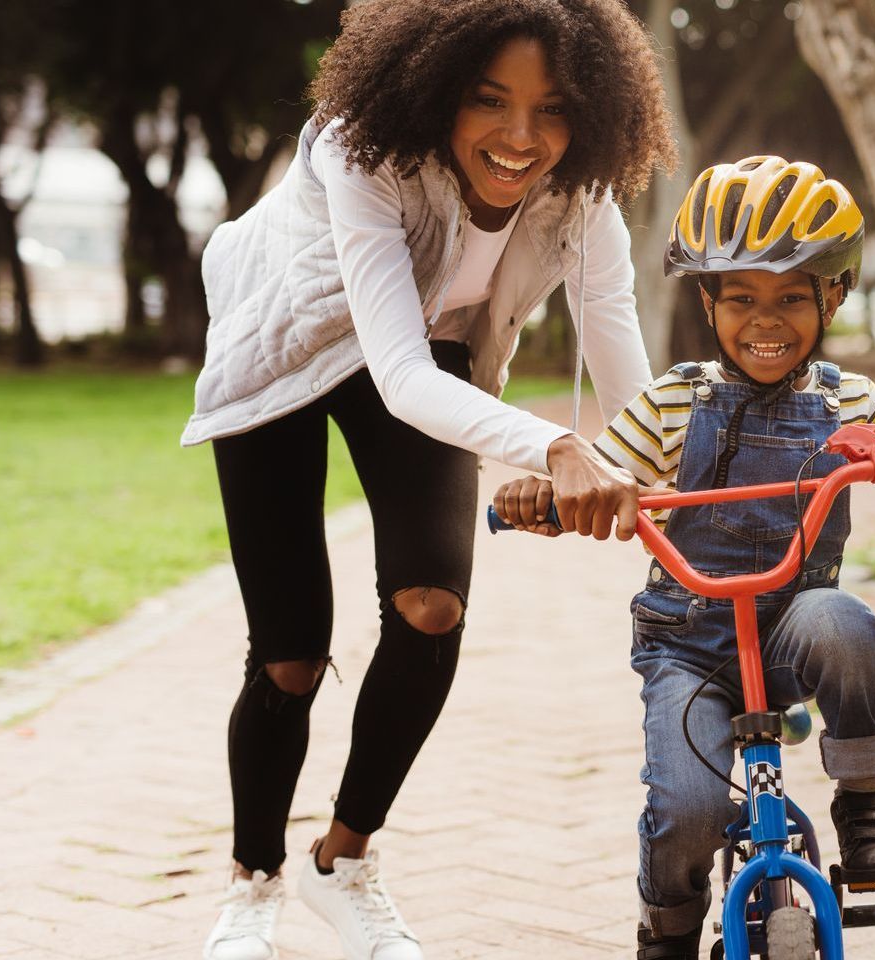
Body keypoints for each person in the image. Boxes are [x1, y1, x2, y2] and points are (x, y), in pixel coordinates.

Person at [179, 2, 676, 958]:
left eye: (553, 110)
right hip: (283, 345)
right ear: (436, 86)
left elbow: (624, 375)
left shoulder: (583, 196)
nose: (521, 138)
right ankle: (253, 883)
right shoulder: (359, 149)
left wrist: (677, 468)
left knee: (431, 605)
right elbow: (397, 376)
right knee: (289, 653)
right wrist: (555, 449)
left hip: (424, 352)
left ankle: (342, 860)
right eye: (489, 101)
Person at [492, 156, 875, 960]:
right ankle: (669, 928)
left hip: (794, 632)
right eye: (743, 298)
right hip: (689, 644)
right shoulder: (674, 401)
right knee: (686, 812)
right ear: (708, 301)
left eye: (792, 297)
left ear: (834, 297)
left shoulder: (847, 401)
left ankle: (864, 802)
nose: (768, 319)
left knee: (846, 621)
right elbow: (604, 477)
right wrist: (545, 496)